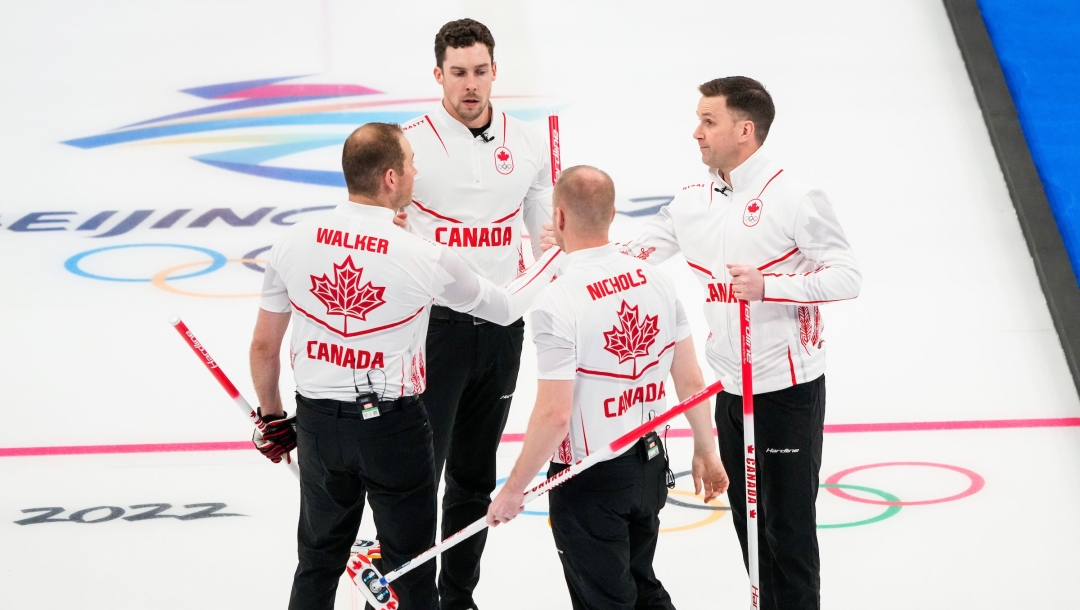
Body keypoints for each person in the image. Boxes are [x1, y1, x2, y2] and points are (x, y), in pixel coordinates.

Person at [248, 122, 562, 610]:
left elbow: (265, 347)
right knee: (411, 570)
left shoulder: (293, 241)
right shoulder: (422, 254)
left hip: (317, 425)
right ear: (391, 178)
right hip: (391, 429)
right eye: (412, 163)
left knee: (317, 562)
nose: (418, 171)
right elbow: (502, 309)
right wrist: (554, 260)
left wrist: (271, 419)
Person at [594, 77, 860, 610]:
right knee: (751, 527)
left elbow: (847, 276)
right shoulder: (693, 198)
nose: (696, 132)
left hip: (786, 391)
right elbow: (640, 250)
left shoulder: (794, 197)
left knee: (788, 531)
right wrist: (581, 249)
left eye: (708, 121)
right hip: (731, 391)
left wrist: (771, 288)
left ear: (745, 130)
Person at [486, 166, 729, 610]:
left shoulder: (557, 299)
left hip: (589, 477)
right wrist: (706, 449)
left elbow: (555, 415)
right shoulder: (655, 279)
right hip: (648, 466)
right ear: (613, 214)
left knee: (607, 599)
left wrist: (514, 488)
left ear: (557, 218)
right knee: (640, 583)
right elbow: (691, 380)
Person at [398, 18, 556, 609]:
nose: (470, 85)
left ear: (495, 72)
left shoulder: (529, 139)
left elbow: (548, 238)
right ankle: (404, 595)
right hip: (428, 328)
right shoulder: (406, 142)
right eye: (458, 73)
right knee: (419, 475)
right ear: (438, 74)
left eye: (480, 72)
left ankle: (457, 596)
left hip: (500, 326)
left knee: (472, 474)